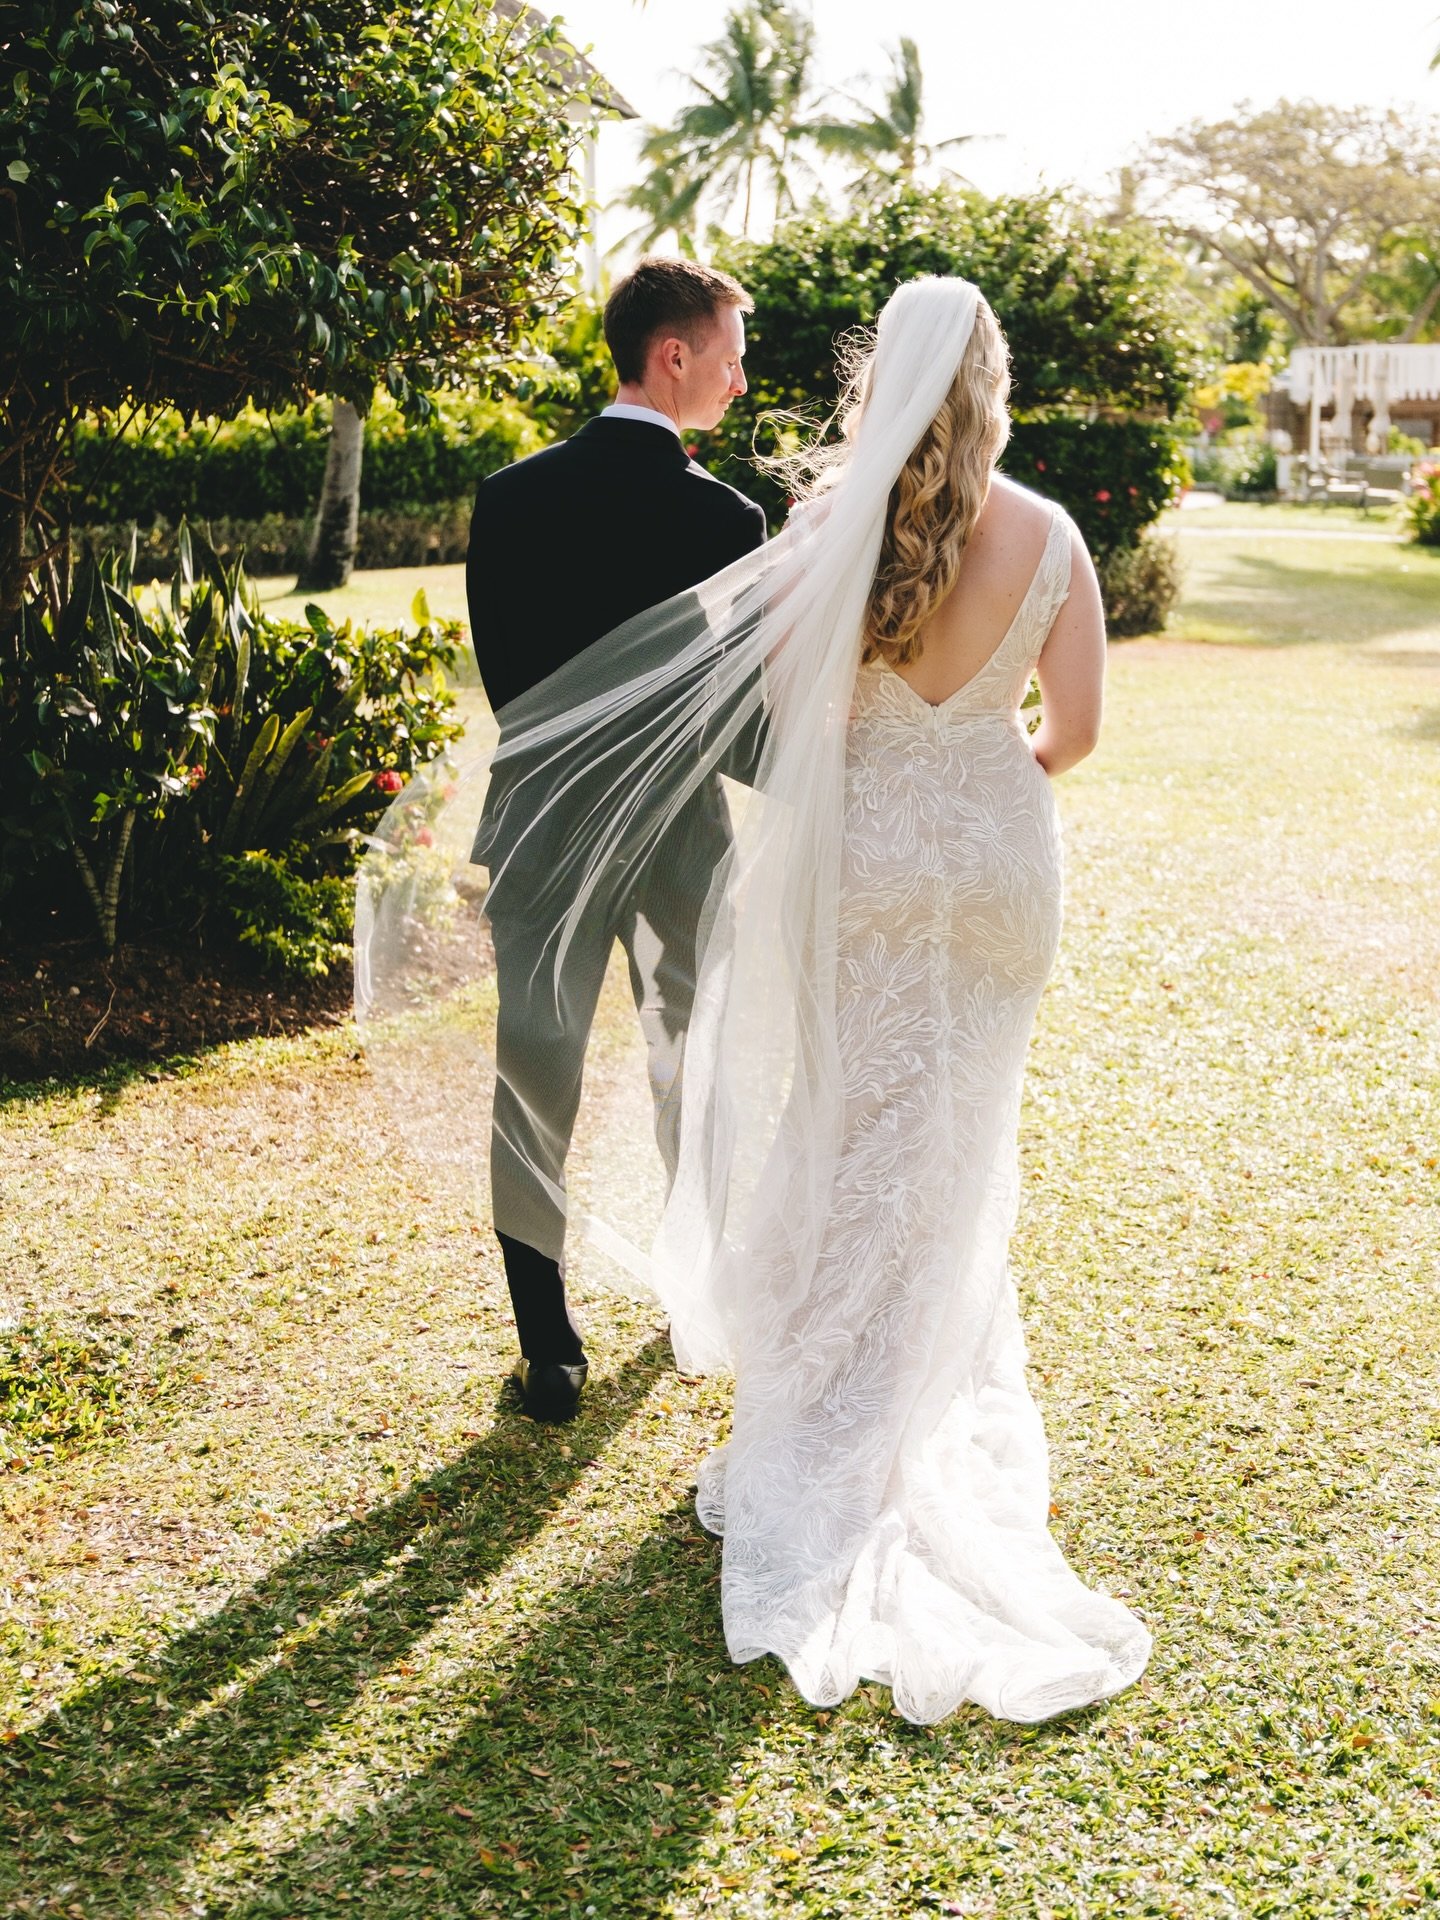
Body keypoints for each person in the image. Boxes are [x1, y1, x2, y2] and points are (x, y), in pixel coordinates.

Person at [363, 275, 1151, 1722]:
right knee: (899, 1126)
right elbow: (1074, 732)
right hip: (977, 859)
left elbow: (767, 715)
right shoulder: (1026, 532)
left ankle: (655, 1365)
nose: (740, 371)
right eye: (726, 353)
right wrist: (971, 783)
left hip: (732, 849)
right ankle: (807, 1348)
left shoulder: (784, 522)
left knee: (773, 1112)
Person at [465, 258, 767, 1423]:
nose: (741, 380)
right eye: (731, 353)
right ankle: (699, 1291)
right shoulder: (722, 516)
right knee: (690, 1062)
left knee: (533, 1068)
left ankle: (548, 1348)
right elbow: (732, 711)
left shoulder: (511, 495)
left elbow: (513, 688)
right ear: (673, 356)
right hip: (678, 833)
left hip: (541, 821)